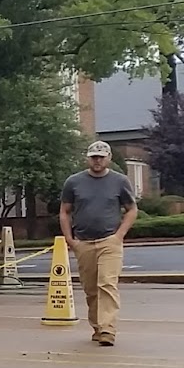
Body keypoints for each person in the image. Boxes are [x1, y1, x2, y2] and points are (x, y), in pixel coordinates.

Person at [59, 140, 138, 345]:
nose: (97, 161)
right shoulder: (73, 182)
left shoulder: (119, 181)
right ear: (88, 158)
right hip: (83, 242)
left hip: (109, 241)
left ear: (109, 158)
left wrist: (119, 235)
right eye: (94, 157)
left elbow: (131, 209)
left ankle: (107, 330)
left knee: (107, 284)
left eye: (101, 157)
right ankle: (97, 326)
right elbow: (65, 211)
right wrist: (70, 240)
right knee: (91, 289)